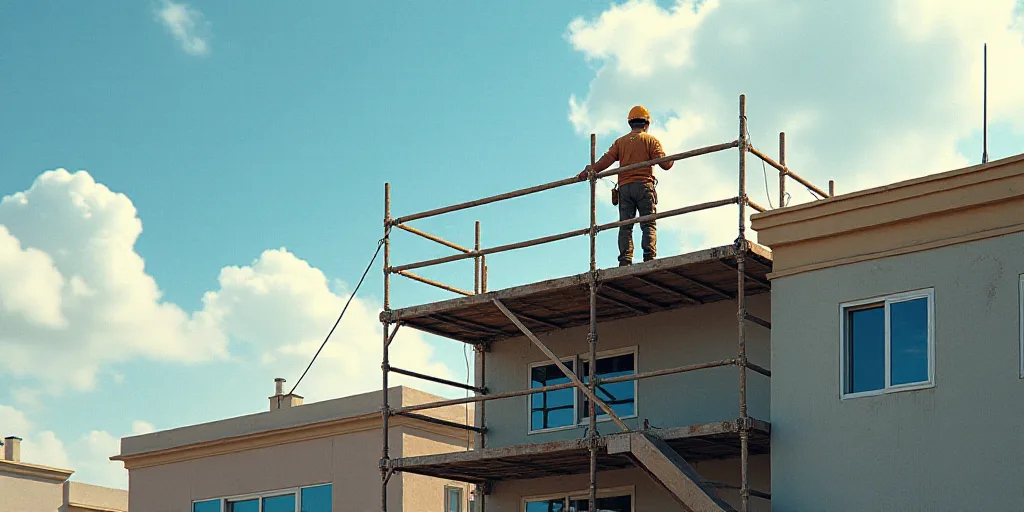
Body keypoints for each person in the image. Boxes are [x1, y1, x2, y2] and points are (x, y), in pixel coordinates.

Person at [577, 105, 673, 266]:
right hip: (644, 186)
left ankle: (625, 259)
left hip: (625, 188)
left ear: (630, 123)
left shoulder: (620, 142)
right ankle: (649, 256)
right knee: (648, 223)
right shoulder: (650, 140)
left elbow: (605, 160)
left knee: (625, 226)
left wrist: (588, 171)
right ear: (646, 124)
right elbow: (666, 164)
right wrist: (671, 159)